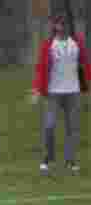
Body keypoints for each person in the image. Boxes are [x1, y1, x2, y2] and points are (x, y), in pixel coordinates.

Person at [32, 14, 91, 176]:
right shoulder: (49, 45)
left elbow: (85, 65)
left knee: (73, 128)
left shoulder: (77, 43)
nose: (62, 27)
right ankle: (47, 159)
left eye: (64, 24)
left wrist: (86, 85)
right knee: (49, 126)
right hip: (53, 92)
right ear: (55, 26)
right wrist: (37, 89)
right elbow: (41, 68)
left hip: (73, 91)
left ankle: (71, 160)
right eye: (59, 24)